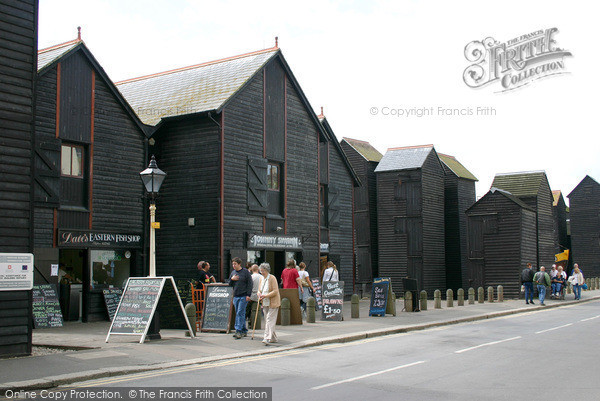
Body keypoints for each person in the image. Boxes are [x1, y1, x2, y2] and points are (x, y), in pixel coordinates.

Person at [228, 257, 253, 339]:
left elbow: (250, 283)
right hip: (236, 295)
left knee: (239, 313)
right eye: (232, 264)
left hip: (243, 295)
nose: (233, 265)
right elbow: (230, 284)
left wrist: (248, 295)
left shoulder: (245, 272)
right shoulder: (233, 273)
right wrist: (232, 279)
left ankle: (238, 330)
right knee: (240, 313)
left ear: (239, 264)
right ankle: (244, 330)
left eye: (235, 264)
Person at [258, 263, 280, 346]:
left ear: (267, 270)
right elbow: (259, 289)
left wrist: (265, 295)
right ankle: (273, 338)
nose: (261, 272)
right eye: (261, 271)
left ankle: (267, 338)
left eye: (263, 271)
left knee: (269, 320)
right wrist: (259, 294)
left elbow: (275, 291)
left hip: (273, 302)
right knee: (269, 320)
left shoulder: (272, 278)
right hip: (265, 302)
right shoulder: (261, 279)